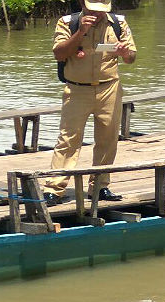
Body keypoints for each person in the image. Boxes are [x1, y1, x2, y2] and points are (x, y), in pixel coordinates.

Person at [43, 0, 136, 206]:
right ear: (83, 4)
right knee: (68, 140)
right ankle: (54, 188)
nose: (98, 13)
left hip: (109, 88)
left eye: (102, 10)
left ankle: (100, 186)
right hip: (77, 89)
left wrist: (124, 53)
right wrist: (81, 32)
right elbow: (59, 53)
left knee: (108, 138)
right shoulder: (68, 23)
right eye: (94, 9)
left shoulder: (119, 23)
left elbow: (131, 57)